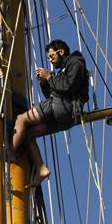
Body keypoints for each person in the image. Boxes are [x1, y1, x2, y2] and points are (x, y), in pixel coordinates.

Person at [12, 39, 90, 186]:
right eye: (48, 58)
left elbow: (67, 87)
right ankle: (42, 169)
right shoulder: (63, 71)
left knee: (21, 120)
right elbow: (53, 94)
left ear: (61, 52)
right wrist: (44, 82)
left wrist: (49, 77)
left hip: (64, 107)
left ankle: (9, 153)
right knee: (29, 134)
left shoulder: (75, 63)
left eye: (52, 56)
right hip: (64, 115)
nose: (50, 60)